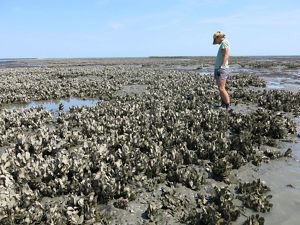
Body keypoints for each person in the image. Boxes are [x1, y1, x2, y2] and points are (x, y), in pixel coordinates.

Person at [213, 31, 230, 110]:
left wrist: (222, 66)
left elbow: (226, 54)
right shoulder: (223, 43)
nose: (216, 42)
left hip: (222, 69)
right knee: (220, 87)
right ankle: (223, 104)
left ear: (218, 37)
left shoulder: (224, 42)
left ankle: (227, 106)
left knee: (221, 88)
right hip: (219, 68)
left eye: (215, 40)